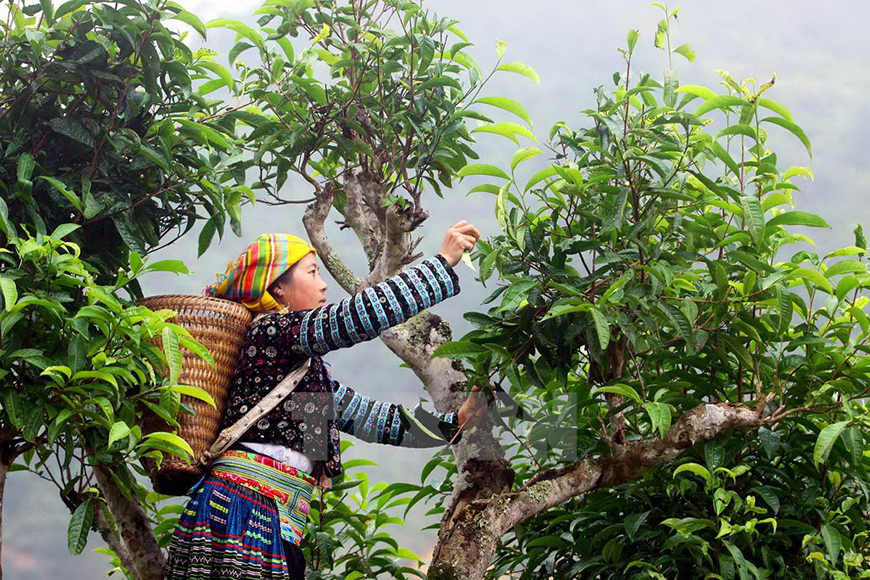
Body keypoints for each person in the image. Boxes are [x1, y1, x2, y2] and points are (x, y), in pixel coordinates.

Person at [164, 221, 488, 580]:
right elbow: (354, 318)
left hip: (271, 520)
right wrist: (442, 262)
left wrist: (453, 424)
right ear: (278, 290)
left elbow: (370, 418)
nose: (322, 284)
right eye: (312, 272)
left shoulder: (297, 368)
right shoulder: (270, 332)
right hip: (243, 512)